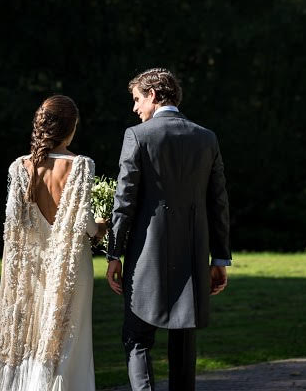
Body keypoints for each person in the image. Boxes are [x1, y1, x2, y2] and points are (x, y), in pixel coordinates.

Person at [107, 67, 231, 391]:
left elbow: (124, 201)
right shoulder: (207, 138)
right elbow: (218, 203)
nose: (136, 109)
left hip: (144, 257)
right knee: (183, 345)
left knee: (137, 339)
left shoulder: (137, 135)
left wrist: (113, 254)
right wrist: (220, 259)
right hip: (192, 255)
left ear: (152, 95)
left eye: (137, 100)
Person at [0, 94, 107, 391]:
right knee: (68, 339)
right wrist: (104, 225)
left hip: (29, 268)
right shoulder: (80, 165)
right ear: (71, 127)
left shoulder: (19, 167)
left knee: (29, 335)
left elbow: (13, 223)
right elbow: (85, 223)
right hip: (69, 267)